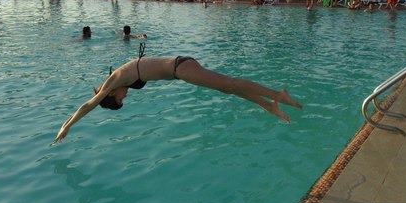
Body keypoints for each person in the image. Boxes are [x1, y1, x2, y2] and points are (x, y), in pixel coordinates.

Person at [53, 43, 303, 143]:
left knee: (229, 83)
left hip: (180, 68)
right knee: (228, 89)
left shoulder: (114, 80)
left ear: (110, 94)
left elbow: (87, 105)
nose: (125, 97)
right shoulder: (119, 80)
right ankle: (268, 105)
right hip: (180, 68)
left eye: (120, 98)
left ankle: (277, 95)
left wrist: (67, 126)